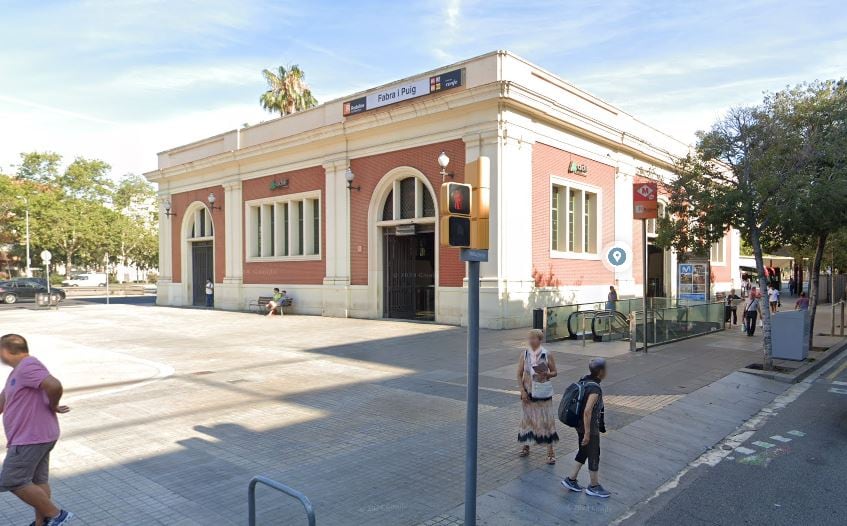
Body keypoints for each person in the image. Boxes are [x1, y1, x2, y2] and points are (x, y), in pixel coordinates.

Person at [0, 334, 74, 526]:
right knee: (38, 480)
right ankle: (42, 523)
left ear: (5, 351)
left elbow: (54, 385)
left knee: (12, 480)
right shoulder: (17, 372)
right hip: (39, 436)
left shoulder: (28, 366)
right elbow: (3, 401)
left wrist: (53, 405)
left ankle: (57, 515)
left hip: (30, 438)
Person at [561, 358, 609, 498]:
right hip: (588, 427)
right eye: (605, 369)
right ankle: (594, 486)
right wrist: (588, 433)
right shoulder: (595, 388)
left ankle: (571, 479)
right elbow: (588, 411)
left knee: (584, 451)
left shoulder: (584, 381)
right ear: (600, 372)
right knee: (594, 453)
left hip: (579, 425)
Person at [517, 329, 559, 465]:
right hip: (528, 392)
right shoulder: (524, 354)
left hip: (542, 392)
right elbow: (519, 374)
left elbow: (555, 372)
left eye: (534, 338)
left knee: (546, 420)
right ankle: (526, 445)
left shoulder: (547, 354)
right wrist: (522, 391)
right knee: (527, 419)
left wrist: (547, 374)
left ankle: (550, 452)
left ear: (540, 340)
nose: (531, 341)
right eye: (529, 338)